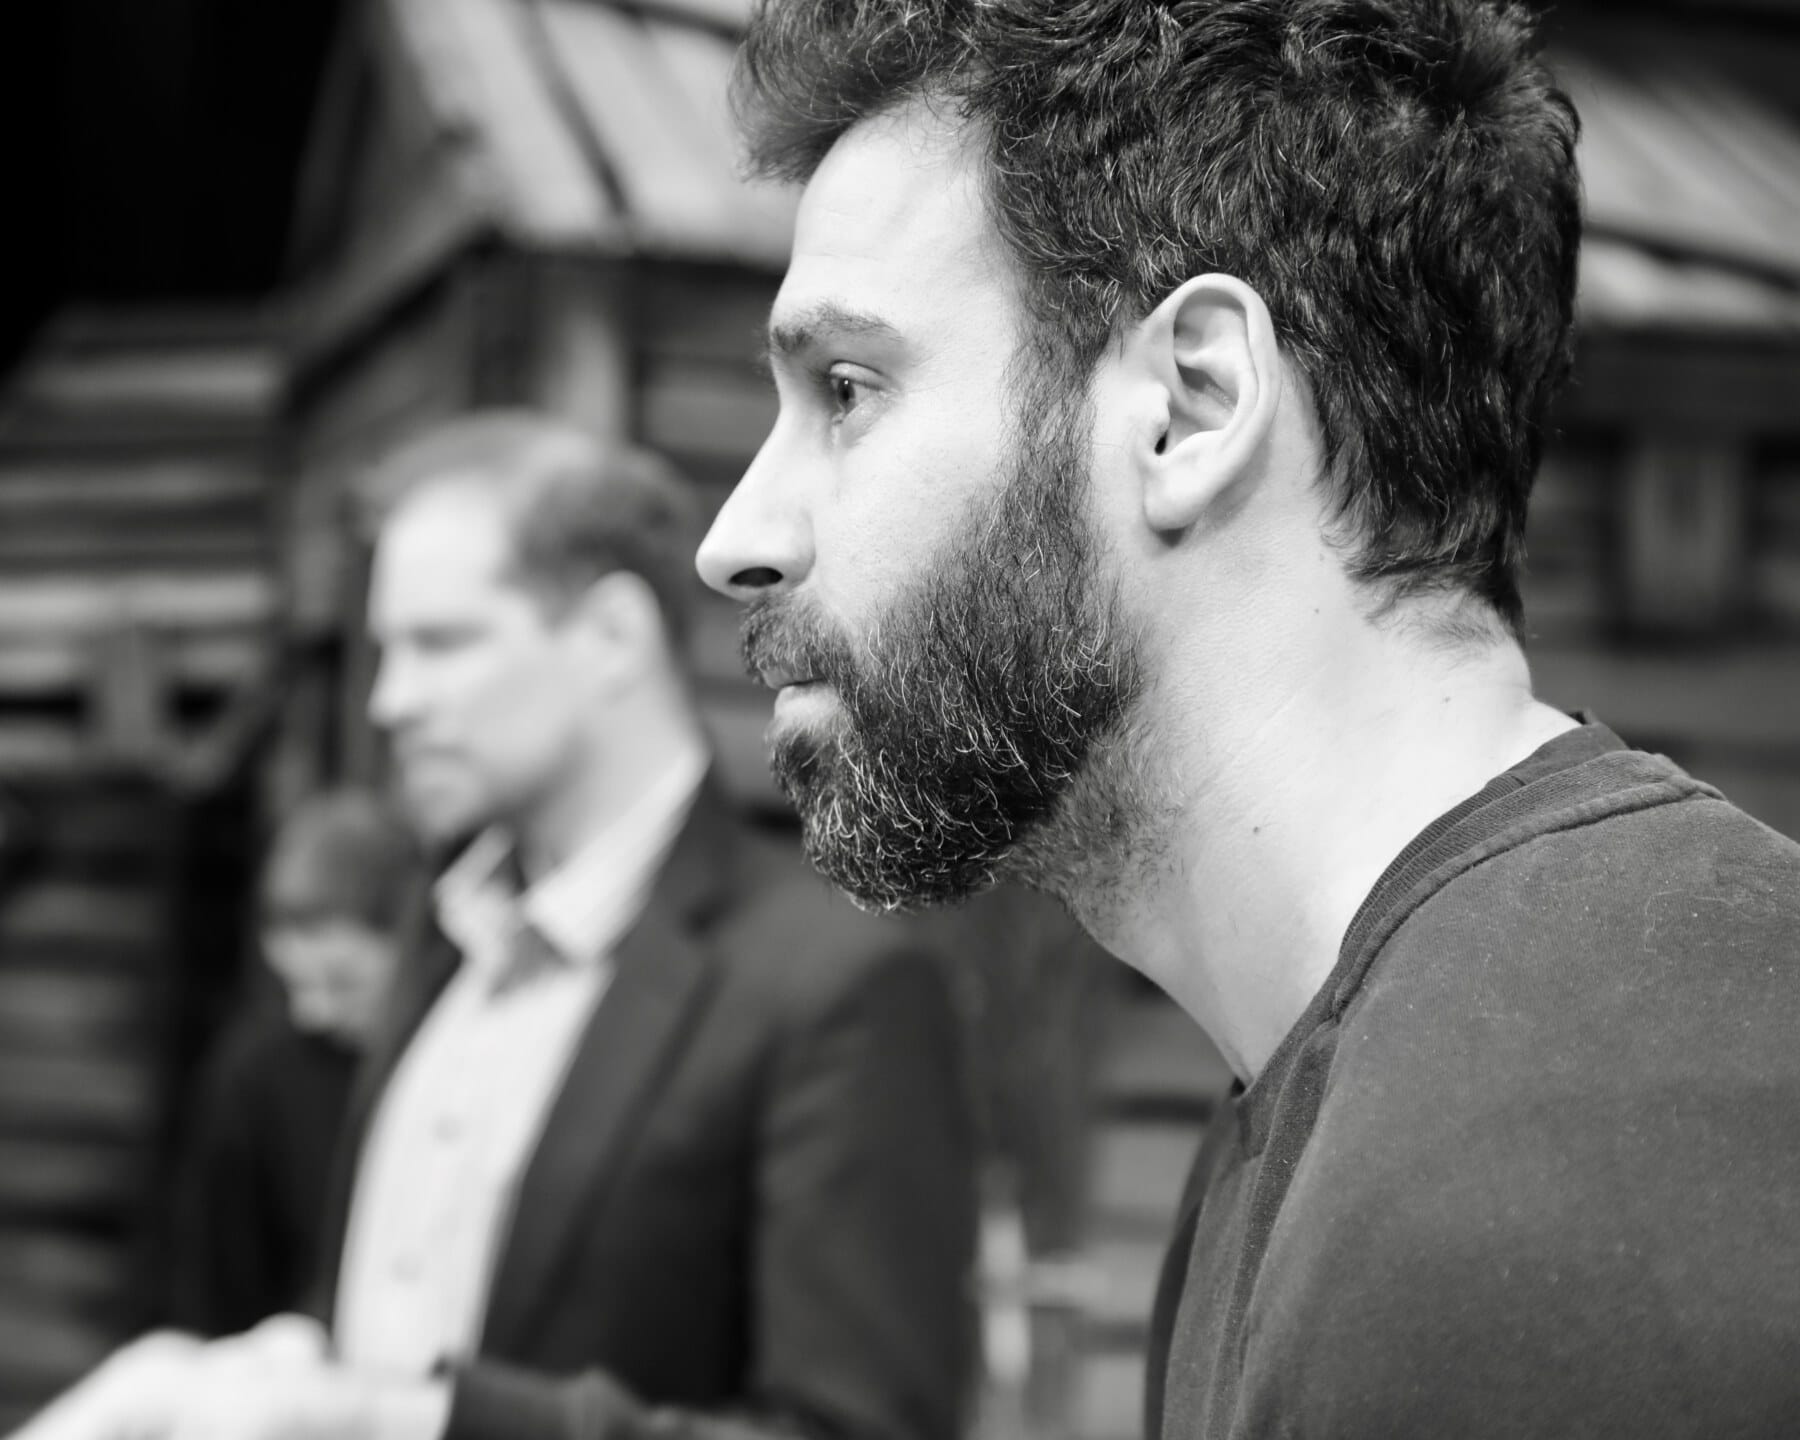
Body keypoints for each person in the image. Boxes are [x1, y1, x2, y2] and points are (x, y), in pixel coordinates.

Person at [694, 1, 1800, 1436]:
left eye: (847, 391)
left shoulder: (1554, 1189)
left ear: (1194, 406)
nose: (736, 537)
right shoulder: (1352, 1097)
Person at [17, 412, 976, 1440]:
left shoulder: (835, 987)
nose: (390, 702)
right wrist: (260, 1369)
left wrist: (397, 1419)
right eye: (385, 651)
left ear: (611, 637)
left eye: (442, 643)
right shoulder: (444, 945)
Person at [169, 788, 415, 1336]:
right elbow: (218, 1277)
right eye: (293, 982)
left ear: (412, 943)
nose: (313, 1012)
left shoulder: (455, 1058)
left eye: (343, 981)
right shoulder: (257, 1074)